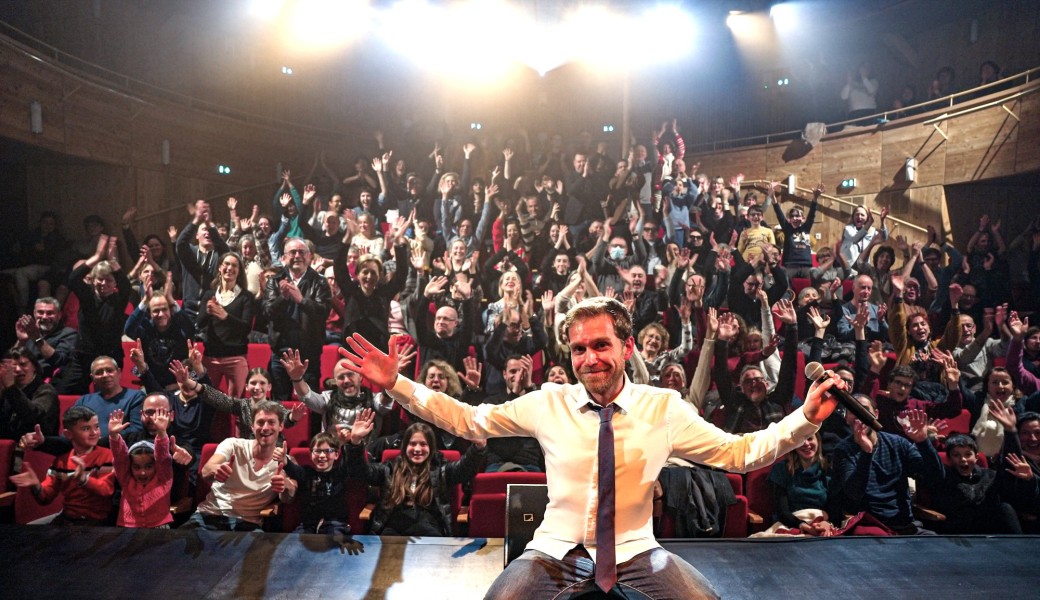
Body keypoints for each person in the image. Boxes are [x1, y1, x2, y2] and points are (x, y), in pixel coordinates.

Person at [336, 297, 841, 598]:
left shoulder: (663, 407)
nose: (590, 358)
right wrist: (397, 385)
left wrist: (804, 419)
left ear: (625, 347)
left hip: (639, 551)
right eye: (579, 348)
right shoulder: (547, 402)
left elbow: (741, 454)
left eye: (601, 345)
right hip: (553, 551)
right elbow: (469, 419)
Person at [349, 420, 486, 536]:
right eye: (412, 444)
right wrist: (355, 442)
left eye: (423, 444)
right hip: (393, 531)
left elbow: (464, 469)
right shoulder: (389, 469)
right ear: (404, 447)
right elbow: (361, 472)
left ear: (431, 447)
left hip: (429, 531)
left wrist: (478, 447)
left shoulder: (441, 469)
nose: (417, 449)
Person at [831, 396, 942, 535]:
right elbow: (854, 494)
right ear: (846, 418)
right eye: (853, 410)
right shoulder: (843, 450)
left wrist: (923, 442)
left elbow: (935, 478)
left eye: (864, 410)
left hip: (905, 525)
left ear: (875, 415)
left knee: (934, 542)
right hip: (870, 526)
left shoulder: (898, 443)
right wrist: (866, 452)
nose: (859, 414)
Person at [181, 401, 296, 531]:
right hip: (210, 515)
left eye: (271, 422)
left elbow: (288, 497)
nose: (265, 428)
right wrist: (216, 470)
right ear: (252, 427)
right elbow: (206, 470)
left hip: (247, 524)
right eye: (260, 422)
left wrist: (286, 486)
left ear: (281, 426)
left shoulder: (286, 461)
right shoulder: (232, 444)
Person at [9, 406, 115, 525]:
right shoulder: (61, 461)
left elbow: (107, 490)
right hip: (68, 518)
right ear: (68, 434)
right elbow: (45, 498)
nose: (94, 433)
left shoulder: (107, 455)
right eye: (86, 428)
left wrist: (84, 479)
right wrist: (36, 485)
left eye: (96, 427)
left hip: (96, 521)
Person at [261, 237, 332, 400]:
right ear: (284, 257)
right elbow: (267, 312)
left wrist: (302, 300)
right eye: (292, 252)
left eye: (302, 252)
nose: (297, 256)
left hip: (309, 353)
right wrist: (282, 298)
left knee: (310, 401)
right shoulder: (275, 281)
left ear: (309, 257)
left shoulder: (320, 282)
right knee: (279, 401)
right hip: (281, 353)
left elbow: (323, 312)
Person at [196, 252, 257, 398]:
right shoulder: (209, 294)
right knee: (207, 400)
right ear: (219, 268)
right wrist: (208, 311)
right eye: (226, 264)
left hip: (236, 357)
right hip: (211, 357)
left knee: (237, 404)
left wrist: (225, 316)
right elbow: (199, 324)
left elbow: (246, 328)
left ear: (239, 271)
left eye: (234, 265)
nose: (230, 268)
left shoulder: (246, 297)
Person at [107, 407, 174, 528]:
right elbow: (120, 459)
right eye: (137, 467)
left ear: (156, 466)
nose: (142, 473)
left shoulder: (163, 479)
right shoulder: (127, 480)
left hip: (159, 528)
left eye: (148, 466)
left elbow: (163, 457)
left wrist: (161, 433)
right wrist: (114, 436)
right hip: (128, 528)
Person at [13, 297, 79, 380]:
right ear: (34, 313)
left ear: (59, 315)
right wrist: (21, 341)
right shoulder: (29, 332)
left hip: (47, 383)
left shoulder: (69, 334)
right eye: (40, 312)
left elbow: (59, 361)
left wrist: (37, 338)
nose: (44, 317)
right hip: (22, 379)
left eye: (50, 313)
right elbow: (10, 361)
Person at [0, 348, 59, 439]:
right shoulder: (5, 389)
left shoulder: (46, 391)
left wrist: (11, 387)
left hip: (38, 448)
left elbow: (34, 418)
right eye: (13, 366)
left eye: (23, 364)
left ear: (34, 366)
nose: (18, 369)